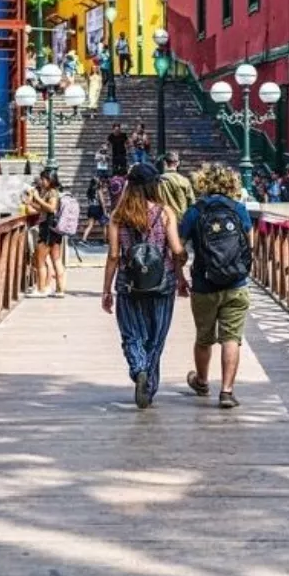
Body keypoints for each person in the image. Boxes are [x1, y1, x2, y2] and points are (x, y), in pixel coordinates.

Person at [102, 163, 188, 409]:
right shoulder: (165, 212)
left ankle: (138, 368)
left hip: (128, 283)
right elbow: (176, 251)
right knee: (155, 336)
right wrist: (181, 275)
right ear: (153, 185)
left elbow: (113, 256)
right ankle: (148, 384)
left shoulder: (118, 216)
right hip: (162, 282)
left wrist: (106, 290)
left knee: (131, 333)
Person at [181, 164, 254, 409]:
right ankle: (227, 391)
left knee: (204, 337)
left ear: (202, 183)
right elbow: (250, 244)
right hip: (236, 282)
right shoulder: (239, 209)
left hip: (204, 283)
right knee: (231, 338)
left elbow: (179, 249)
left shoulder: (195, 211)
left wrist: (180, 277)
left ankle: (201, 382)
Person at [23, 169, 67, 298]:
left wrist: (36, 198)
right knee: (56, 259)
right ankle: (60, 290)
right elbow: (44, 209)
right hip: (53, 228)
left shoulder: (52, 192)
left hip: (48, 228)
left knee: (40, 259)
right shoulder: (51, 192)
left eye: (43, 179)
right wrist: (31, 202)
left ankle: (41, 289)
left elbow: (51, 208)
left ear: (49, 180)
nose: (41, 182)